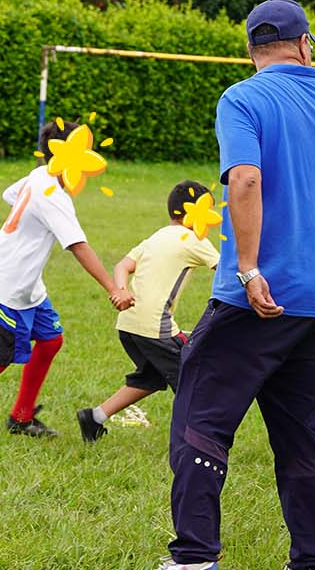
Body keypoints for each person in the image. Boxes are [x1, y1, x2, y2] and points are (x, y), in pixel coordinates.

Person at [126, 0, 315, 570]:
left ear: (251, 49)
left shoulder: (243, 97)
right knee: (299, 429)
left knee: (199, 417)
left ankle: (193, 562)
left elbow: (244, 177)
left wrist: (251, 266)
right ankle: (311, 566)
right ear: (306, 43)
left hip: (255, 298)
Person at [0, 118, 134, 445]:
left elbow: (8, 194)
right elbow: (77, 246)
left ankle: (21, 418)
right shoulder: (52, 193)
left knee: (50, 340)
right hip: (4, 287)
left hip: (28, 288)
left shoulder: (37, 175)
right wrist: (113, 289)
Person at [76, 179, 220, 442]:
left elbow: (122, 265)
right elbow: (225, 272)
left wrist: (121, 290)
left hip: (128, 325)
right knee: (193, 380)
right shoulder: (194, 239)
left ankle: (94, 417)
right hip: (155, 328)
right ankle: (196, 443)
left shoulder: (157, 236)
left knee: (151, 378)